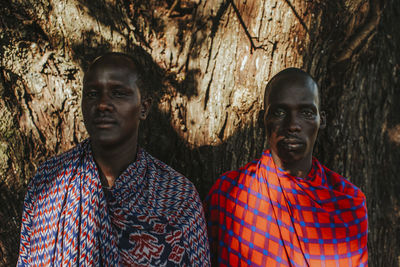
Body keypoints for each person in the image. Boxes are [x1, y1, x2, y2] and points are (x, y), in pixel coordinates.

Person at [17, 52, 210, 266]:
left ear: (144, 107)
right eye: (92, 94)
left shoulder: (178, 196)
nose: (102, 105)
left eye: (118, 93)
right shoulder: (49, 180)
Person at [205, 68, 368, 266]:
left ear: (321, 120)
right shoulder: (229, 192)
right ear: (261, 120)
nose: (292, 125)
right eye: (280, 112)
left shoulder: (348, 201)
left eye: (306, 112)